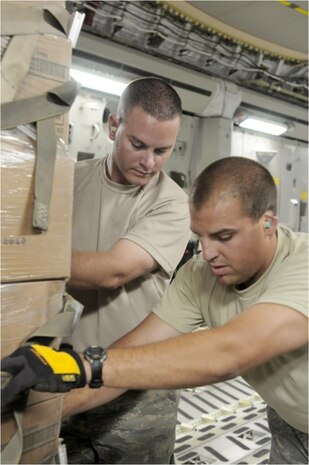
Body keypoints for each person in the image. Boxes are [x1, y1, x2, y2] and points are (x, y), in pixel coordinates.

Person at [2, 157, 308, 465]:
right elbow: (134, 348)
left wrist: (83, 365)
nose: (207, 252)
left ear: (267, 223)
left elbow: (233, 350)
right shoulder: (199, 276)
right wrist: (32, 419)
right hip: (291, 423)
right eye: (199, 236)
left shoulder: (302, 264)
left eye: (223, 236)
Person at [54, 77, 192, 464]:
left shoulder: (171, 204)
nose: (149, 161)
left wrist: (27, 258)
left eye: (162, 150)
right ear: (114, 127)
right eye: (138, 144)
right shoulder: (70, 181)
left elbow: (113, 272)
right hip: (67, 372)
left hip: (139, 390)